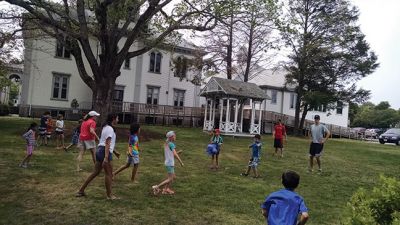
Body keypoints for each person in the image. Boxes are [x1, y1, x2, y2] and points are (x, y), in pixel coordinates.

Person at [76, 114, 121, 200]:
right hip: (104, 152)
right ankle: (109, 195)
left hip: (100, 150)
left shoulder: (105, 127)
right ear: (113, 119)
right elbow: (107, 143)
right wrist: (106, 157)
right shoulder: (110, 129)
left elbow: (103, 141)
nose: (118, 120)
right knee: (109, 174)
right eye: (117, 118)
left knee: (95, 172)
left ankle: (81, 190)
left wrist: (114, 152)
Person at [151, 131, 184, 195]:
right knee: (170, 178)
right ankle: (157, 187)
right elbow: (174, 154)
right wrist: (181, 162)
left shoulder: (167, 143)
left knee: (172, 177)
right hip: (170, 163)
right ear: (171, 137)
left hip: (168, 162)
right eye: (174, 136)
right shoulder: (171, 144)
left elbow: (171, 154)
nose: (175, 137)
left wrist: (178, 152)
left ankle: (165, 190)